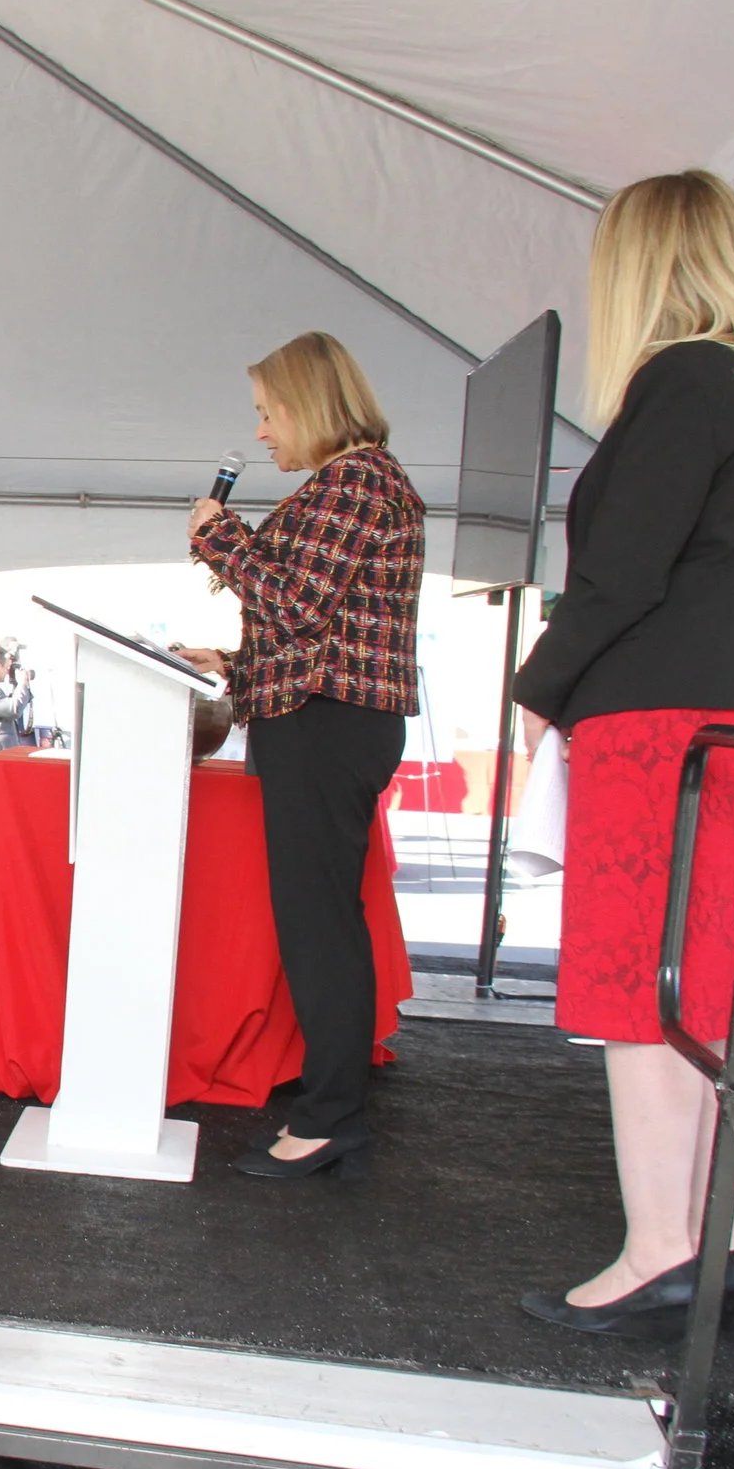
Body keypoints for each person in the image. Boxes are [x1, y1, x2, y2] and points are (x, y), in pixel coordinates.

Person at [499, 172, 734, 1336]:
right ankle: (711, 1236)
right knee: (715, 988)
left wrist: (538, 687)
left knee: (641, 988)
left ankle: (660, 1242)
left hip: (660, 735)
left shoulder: (683, 380)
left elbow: (619, 571)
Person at [179, 329, 423, 1181]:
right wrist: (237, 665)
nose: (261, 433)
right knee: (319, 918)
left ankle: (330, 1117)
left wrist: (221, 539)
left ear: (308, 404)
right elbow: (321, 627)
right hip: (320, 717)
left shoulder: (358, 480)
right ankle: (330, 1104)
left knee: (320, 923)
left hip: (329, 727)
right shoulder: (351, 483)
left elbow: (298, 602)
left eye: (268, 411)